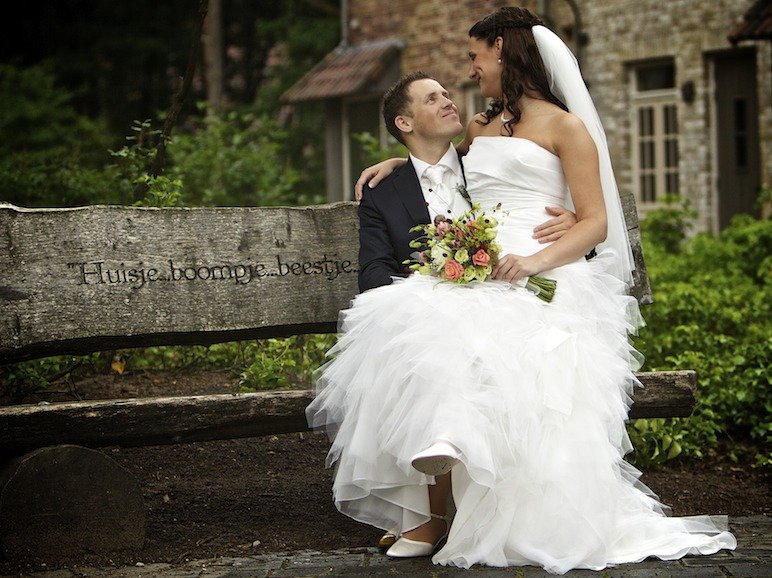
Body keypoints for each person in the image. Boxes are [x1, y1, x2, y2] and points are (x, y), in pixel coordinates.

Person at [306, 6, 736, 574]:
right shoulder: (481, 127)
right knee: (431, 328)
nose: (473, 68)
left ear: (504, 53)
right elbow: (448, 171)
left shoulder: (566, 127)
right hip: (482, 272)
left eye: (476, 56)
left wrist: (535, 260)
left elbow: (594, 222)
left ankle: (480, 492)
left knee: (505, 349)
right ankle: (445, 455)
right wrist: (397, 158)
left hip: (544, 273)